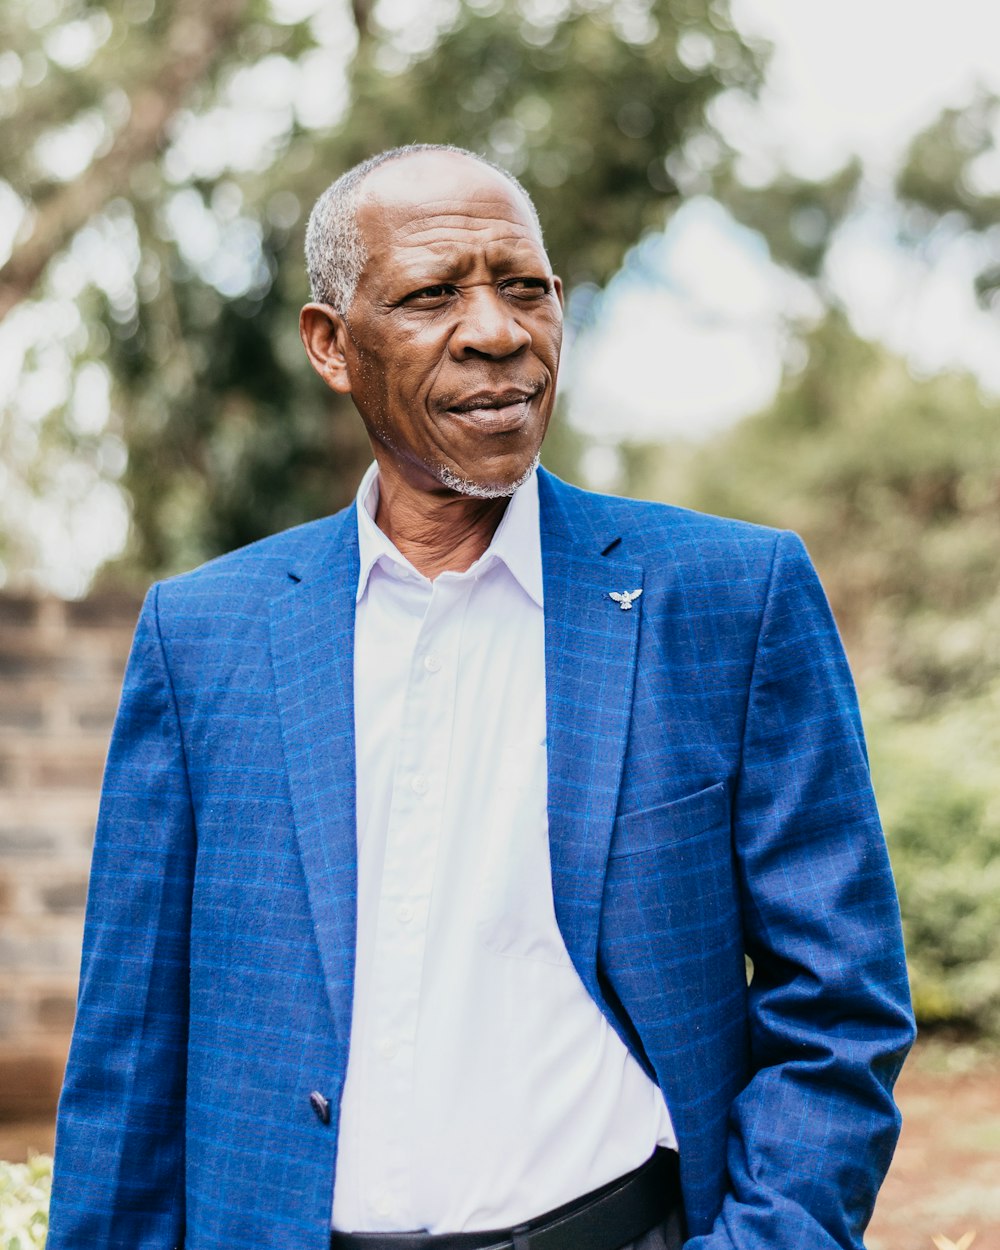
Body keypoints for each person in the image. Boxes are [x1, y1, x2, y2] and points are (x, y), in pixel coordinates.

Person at [47, 144, 915, 1250]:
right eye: (430, 294)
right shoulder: (204, 634)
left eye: (525, 287)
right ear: (332, 346)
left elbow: (839, 1001)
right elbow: (128, 1054)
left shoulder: (727, 597)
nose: (497, 329)